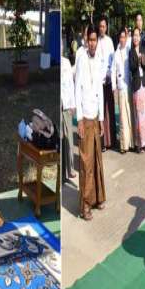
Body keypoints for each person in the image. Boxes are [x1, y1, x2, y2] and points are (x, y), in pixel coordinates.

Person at [75, 26, 107, 220]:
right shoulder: (81, 59)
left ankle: (98, 198)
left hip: (95, 116)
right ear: (86, 41)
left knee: (97, 160)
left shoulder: (99, 60)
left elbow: (100, 90)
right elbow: (77, 89)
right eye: (91, 40)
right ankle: (85, 205)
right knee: (86, 163)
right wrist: (79, 119)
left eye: (95, 40)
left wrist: (102, 118)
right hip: (85, 117)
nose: (93, 43)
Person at [111, 28, 133, 154]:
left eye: (124, 37)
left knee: (130, 116)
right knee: (122, 118)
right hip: (120, 87)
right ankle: (124, 145)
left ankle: (131, 143)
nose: (122, 39)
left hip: (129, 86)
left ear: (126, 38)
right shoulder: (116, 53)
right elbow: (113, 70)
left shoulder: (129, 50)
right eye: (121, 37)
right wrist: (114, 87)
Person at [129, 27, 145, 153]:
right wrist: (137, 60)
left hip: (144, 84)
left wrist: (143, 62)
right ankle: (139, 143)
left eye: (137, 35)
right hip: (136, 85)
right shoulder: (131, 52)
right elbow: (131, 68)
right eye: (134, 35)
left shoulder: (143, 49)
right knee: (138, 115)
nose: (136, 37)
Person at [96, 17, 116, 150]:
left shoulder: (109, 41)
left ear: (106, 27)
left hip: (109, 80)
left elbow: (113, 61)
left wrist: (110, 75)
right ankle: (102, 142)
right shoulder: (96, 41)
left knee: (110, 110)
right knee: (101, 112)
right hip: (99, 82)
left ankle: (112, 141)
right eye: (100, 26)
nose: (102, 29)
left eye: (104, 26)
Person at [60, 48, 77, 182]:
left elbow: (71, 85)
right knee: (60, 139)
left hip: (67, 105)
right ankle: (62, 173)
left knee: (69, 139)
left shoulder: (66, 63)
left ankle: (70, 169)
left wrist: (73, 104)